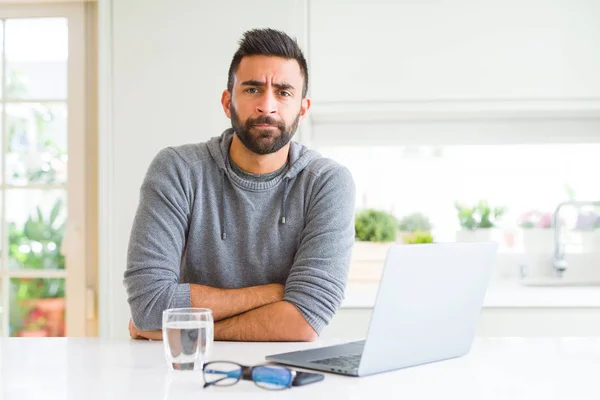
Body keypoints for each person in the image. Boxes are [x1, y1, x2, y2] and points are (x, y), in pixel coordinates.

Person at [124, 28, 356, 342]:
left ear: (303, 108)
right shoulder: (177, 170)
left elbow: (304, 321)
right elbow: (148, 304)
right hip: (188, 378)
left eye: (284, 92)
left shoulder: (327, 183)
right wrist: (273, 294)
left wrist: (184, 330)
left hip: (285, 377)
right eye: (252, 90)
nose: (267, 106)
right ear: (226, 101)